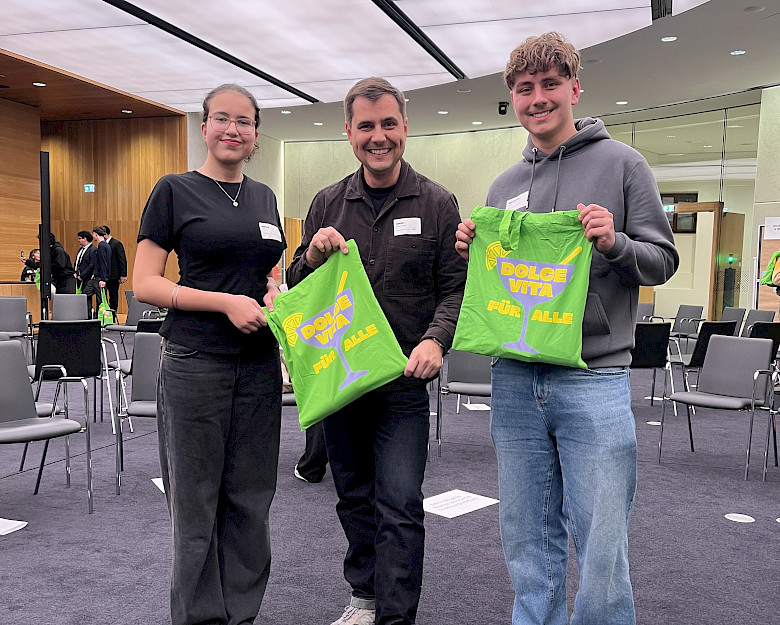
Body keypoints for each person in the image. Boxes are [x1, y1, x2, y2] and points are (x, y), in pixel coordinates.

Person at [455, 33, 679, 625]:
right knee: (525, 536)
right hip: (515, 377)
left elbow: (662, 259)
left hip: (594, 377)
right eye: (525, 88)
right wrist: (474, 250)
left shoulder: (623, 164)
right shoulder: (504, 186)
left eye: (550, 84)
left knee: (601, 539)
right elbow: (502, 280)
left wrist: (615, 242)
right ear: (513, 98)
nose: (538, 98)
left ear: (574, 89)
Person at [286, 77, 466, 625]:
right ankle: (364, 596)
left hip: (403, 383)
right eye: (366, 126)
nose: (378, 136)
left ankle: (395, 617)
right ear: (349, 132)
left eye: (389, 123)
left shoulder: (436, 202)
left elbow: (457, 288)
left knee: (401, 501)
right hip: (342, 382)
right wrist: (311, 259)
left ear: (405, 127)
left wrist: (436, 339)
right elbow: (297, 291)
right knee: (353, 496)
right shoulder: (327, 203)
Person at [134, 83, 285, 625]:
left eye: (244, 121)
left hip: (259, 365)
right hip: (195, 362)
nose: (232, 129)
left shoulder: (265, 197)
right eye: (222, 118)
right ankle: (200, 619)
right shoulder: (174, 190)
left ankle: (241, 615)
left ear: (256, 134)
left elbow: (270, 271)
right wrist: (224, 303)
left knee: (251, 498)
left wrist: (275, 292)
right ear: (203, 128)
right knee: (196, 502)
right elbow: (145, 284)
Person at [102, 225, 128, 312]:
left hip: (114, 276)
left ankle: (113, 314)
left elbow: (122, 259)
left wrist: (123, 274)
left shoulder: (116, 244)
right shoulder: (102, 244)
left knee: (113, 296)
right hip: (105, 275)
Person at [74, 230, 97, 310]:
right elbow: (77, 262)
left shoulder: (93, 250)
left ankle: (88, 314)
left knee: (86, 297)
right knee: (80, 298)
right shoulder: (81, 249)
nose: (79, 240)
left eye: (80, 238)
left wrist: (82, 275)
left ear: (85, 239)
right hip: (78, 277)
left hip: (87, 278)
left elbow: (92, 265)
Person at [91, 226, 112, 303]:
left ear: (96, 234)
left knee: (100, 299)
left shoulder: (101, 246)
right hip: (104, 276)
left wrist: (103, 279)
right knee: (101, 298)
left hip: (100, 277)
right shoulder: (107, 245)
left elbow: (103, 262)